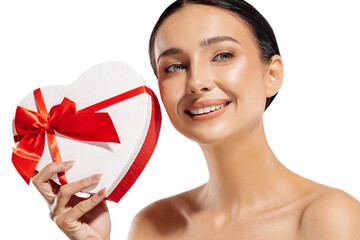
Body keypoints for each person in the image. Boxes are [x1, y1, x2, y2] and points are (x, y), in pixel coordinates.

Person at [32, 0, 360, 239]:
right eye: (174, 66)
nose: (196, 82)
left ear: (271, 75)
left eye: (222, 55)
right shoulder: (152, 225)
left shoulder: (329, 217)